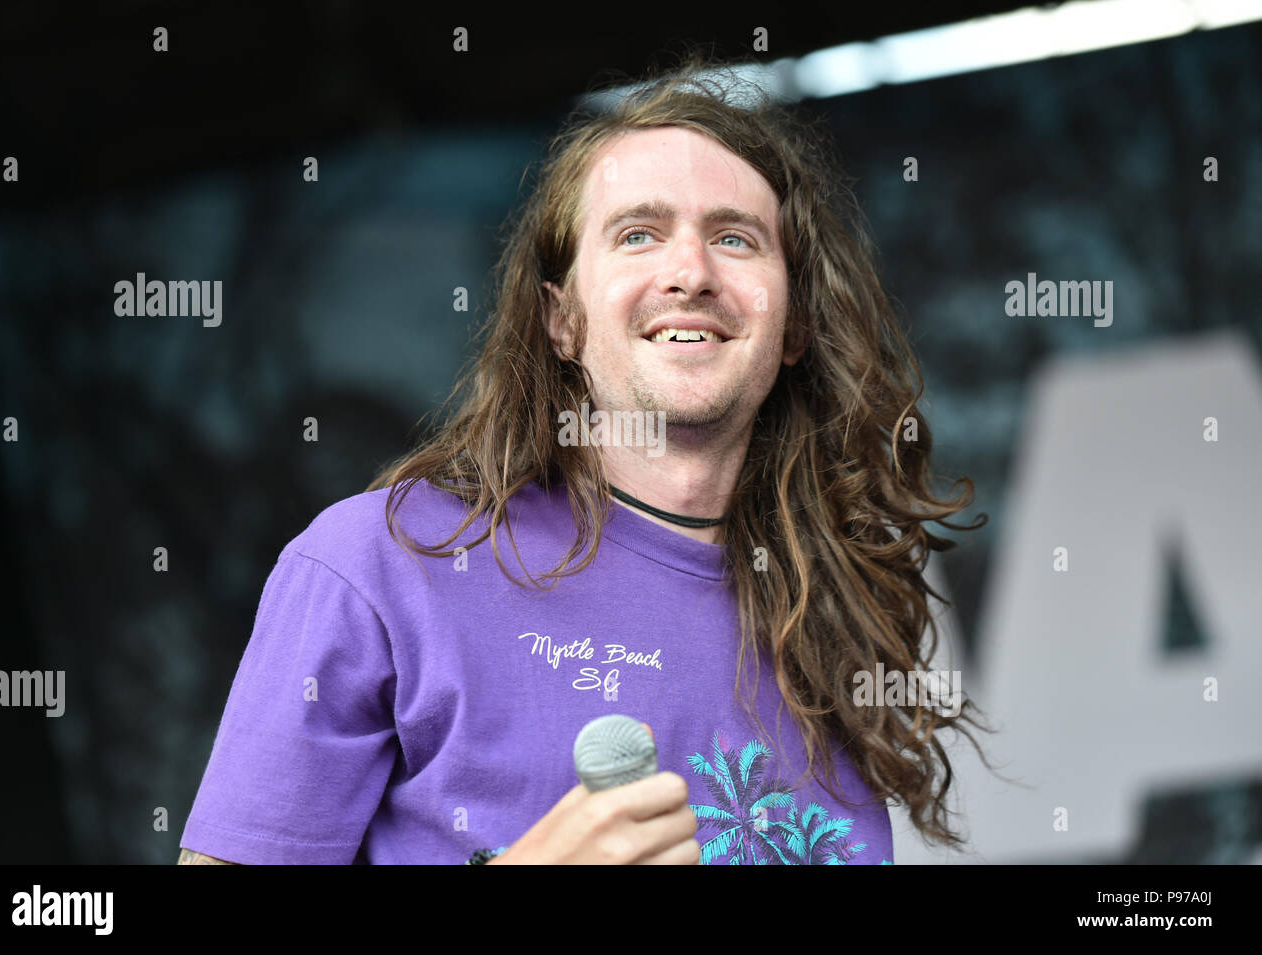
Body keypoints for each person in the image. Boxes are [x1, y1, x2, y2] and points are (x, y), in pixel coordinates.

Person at [178, 53, 990, 866]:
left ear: (796, 328)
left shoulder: (832, 605)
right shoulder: (378, 565)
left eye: (735, 238)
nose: (690, 272)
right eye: (639, 233)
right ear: (560, 320)